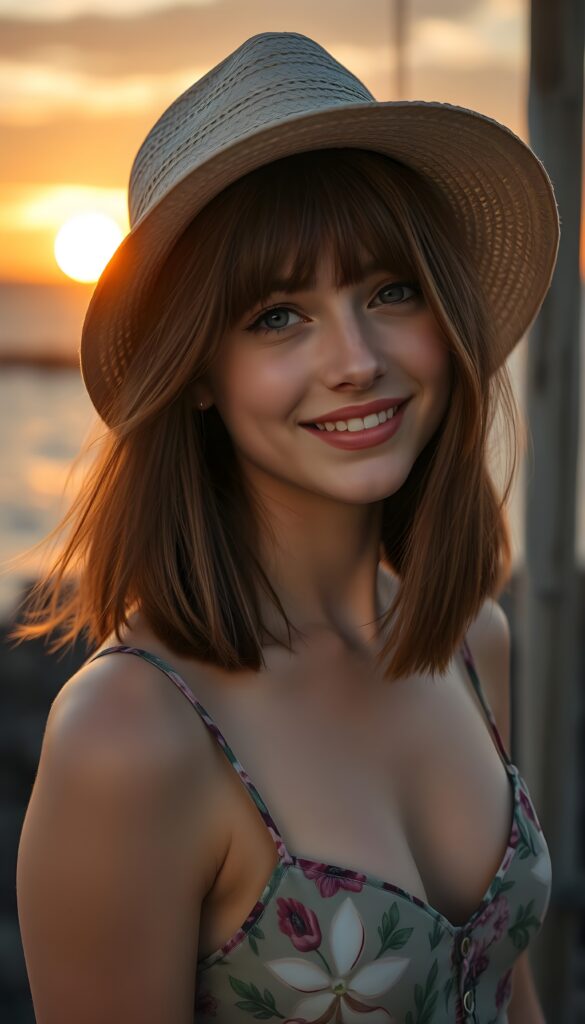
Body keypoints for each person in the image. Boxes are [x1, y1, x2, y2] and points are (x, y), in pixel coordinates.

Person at [14, 30, 558, 1024]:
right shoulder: (133, 736)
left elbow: (504, 981)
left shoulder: (474, 644)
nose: (356, 359)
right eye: (277, 315)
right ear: (198, 376)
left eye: (390, 289)